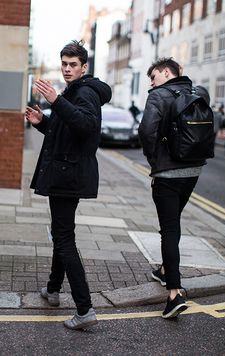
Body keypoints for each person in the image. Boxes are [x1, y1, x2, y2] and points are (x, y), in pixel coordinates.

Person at [25, 40, 112, 330]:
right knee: (61, 232)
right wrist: (42, 122)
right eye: (64, 64)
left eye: (73, 64)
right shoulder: (74, 91)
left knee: (64, 238)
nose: (67, 69)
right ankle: (52, 289)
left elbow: (87, 126)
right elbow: (67, 130)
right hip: (66, 172)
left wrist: (56, 101)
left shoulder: (84, 92)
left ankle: (84, 309)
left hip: (67, 175)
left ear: (84, 67)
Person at [138, 58, 210, 319]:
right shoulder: (197, 92)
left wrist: (154, 159)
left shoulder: (158, 95)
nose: (152, 82)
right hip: (193, 170)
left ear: (166, 72)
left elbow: (147, 131)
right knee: (174, 222)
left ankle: (174, 294)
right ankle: (166, 270)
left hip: (168, 173)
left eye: (154, 76)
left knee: (169, 228)